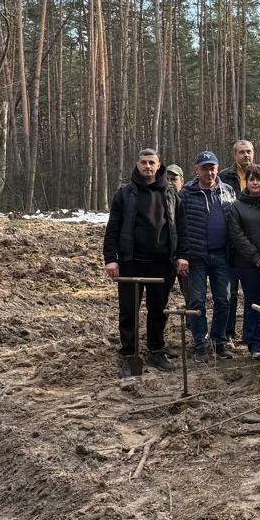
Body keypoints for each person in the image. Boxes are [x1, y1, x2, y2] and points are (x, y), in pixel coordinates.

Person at [102, 149, 189, 377]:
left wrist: (182, 254)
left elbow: (181, 227)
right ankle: (129, 353)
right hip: (131, 262)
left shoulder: (170, 194)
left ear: (158, 165)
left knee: (158, 310)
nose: (147, 167)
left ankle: (156, 350)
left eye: (152, 163)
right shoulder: (125, 194)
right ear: (137, 165)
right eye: (143, 163)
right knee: (128, 310)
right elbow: (113, 228)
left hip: (162, 263)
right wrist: (111, 259)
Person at [180, 151, 236, 360]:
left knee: (224, 300)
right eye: (204, 168)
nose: (209, 172)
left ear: (217, 168)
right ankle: (200, 343)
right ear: (197, 169)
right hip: (196, 257)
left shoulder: (227, 191)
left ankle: (218, 340)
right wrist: (182, 255)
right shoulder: (186, 193)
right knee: (197, 301)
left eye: (212, 167)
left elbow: (235, 222)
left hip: (222, 255)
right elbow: (180, 227)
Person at [227, 163, 260, 358]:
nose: (255, 182)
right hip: (248, 263)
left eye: (259, 179)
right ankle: (254, 342)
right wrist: (255, 257)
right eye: (251, 179)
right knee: (252, 302)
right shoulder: (237, 207)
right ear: (246, 182)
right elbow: (236, 235)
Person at [220, 139, 256, 346]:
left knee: (252, 295)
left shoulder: (258, 176)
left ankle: (251, 337)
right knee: (229, 294)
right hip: (230, 245)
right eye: (242, 152)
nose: (246, 155)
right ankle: (228, 334)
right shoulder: (224, 177)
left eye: (249, 151)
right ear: (234, 155)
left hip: (253, 245)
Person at [164, 163, 190, 306]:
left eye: (173, 179)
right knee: (160, 297)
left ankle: (192, 325)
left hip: (186, 256)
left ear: (182, 180)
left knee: (191, 296)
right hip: (165, 258)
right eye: (166, 179)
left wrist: (185, 254)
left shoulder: (189, 199)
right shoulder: (159, 201)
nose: (170, 183)